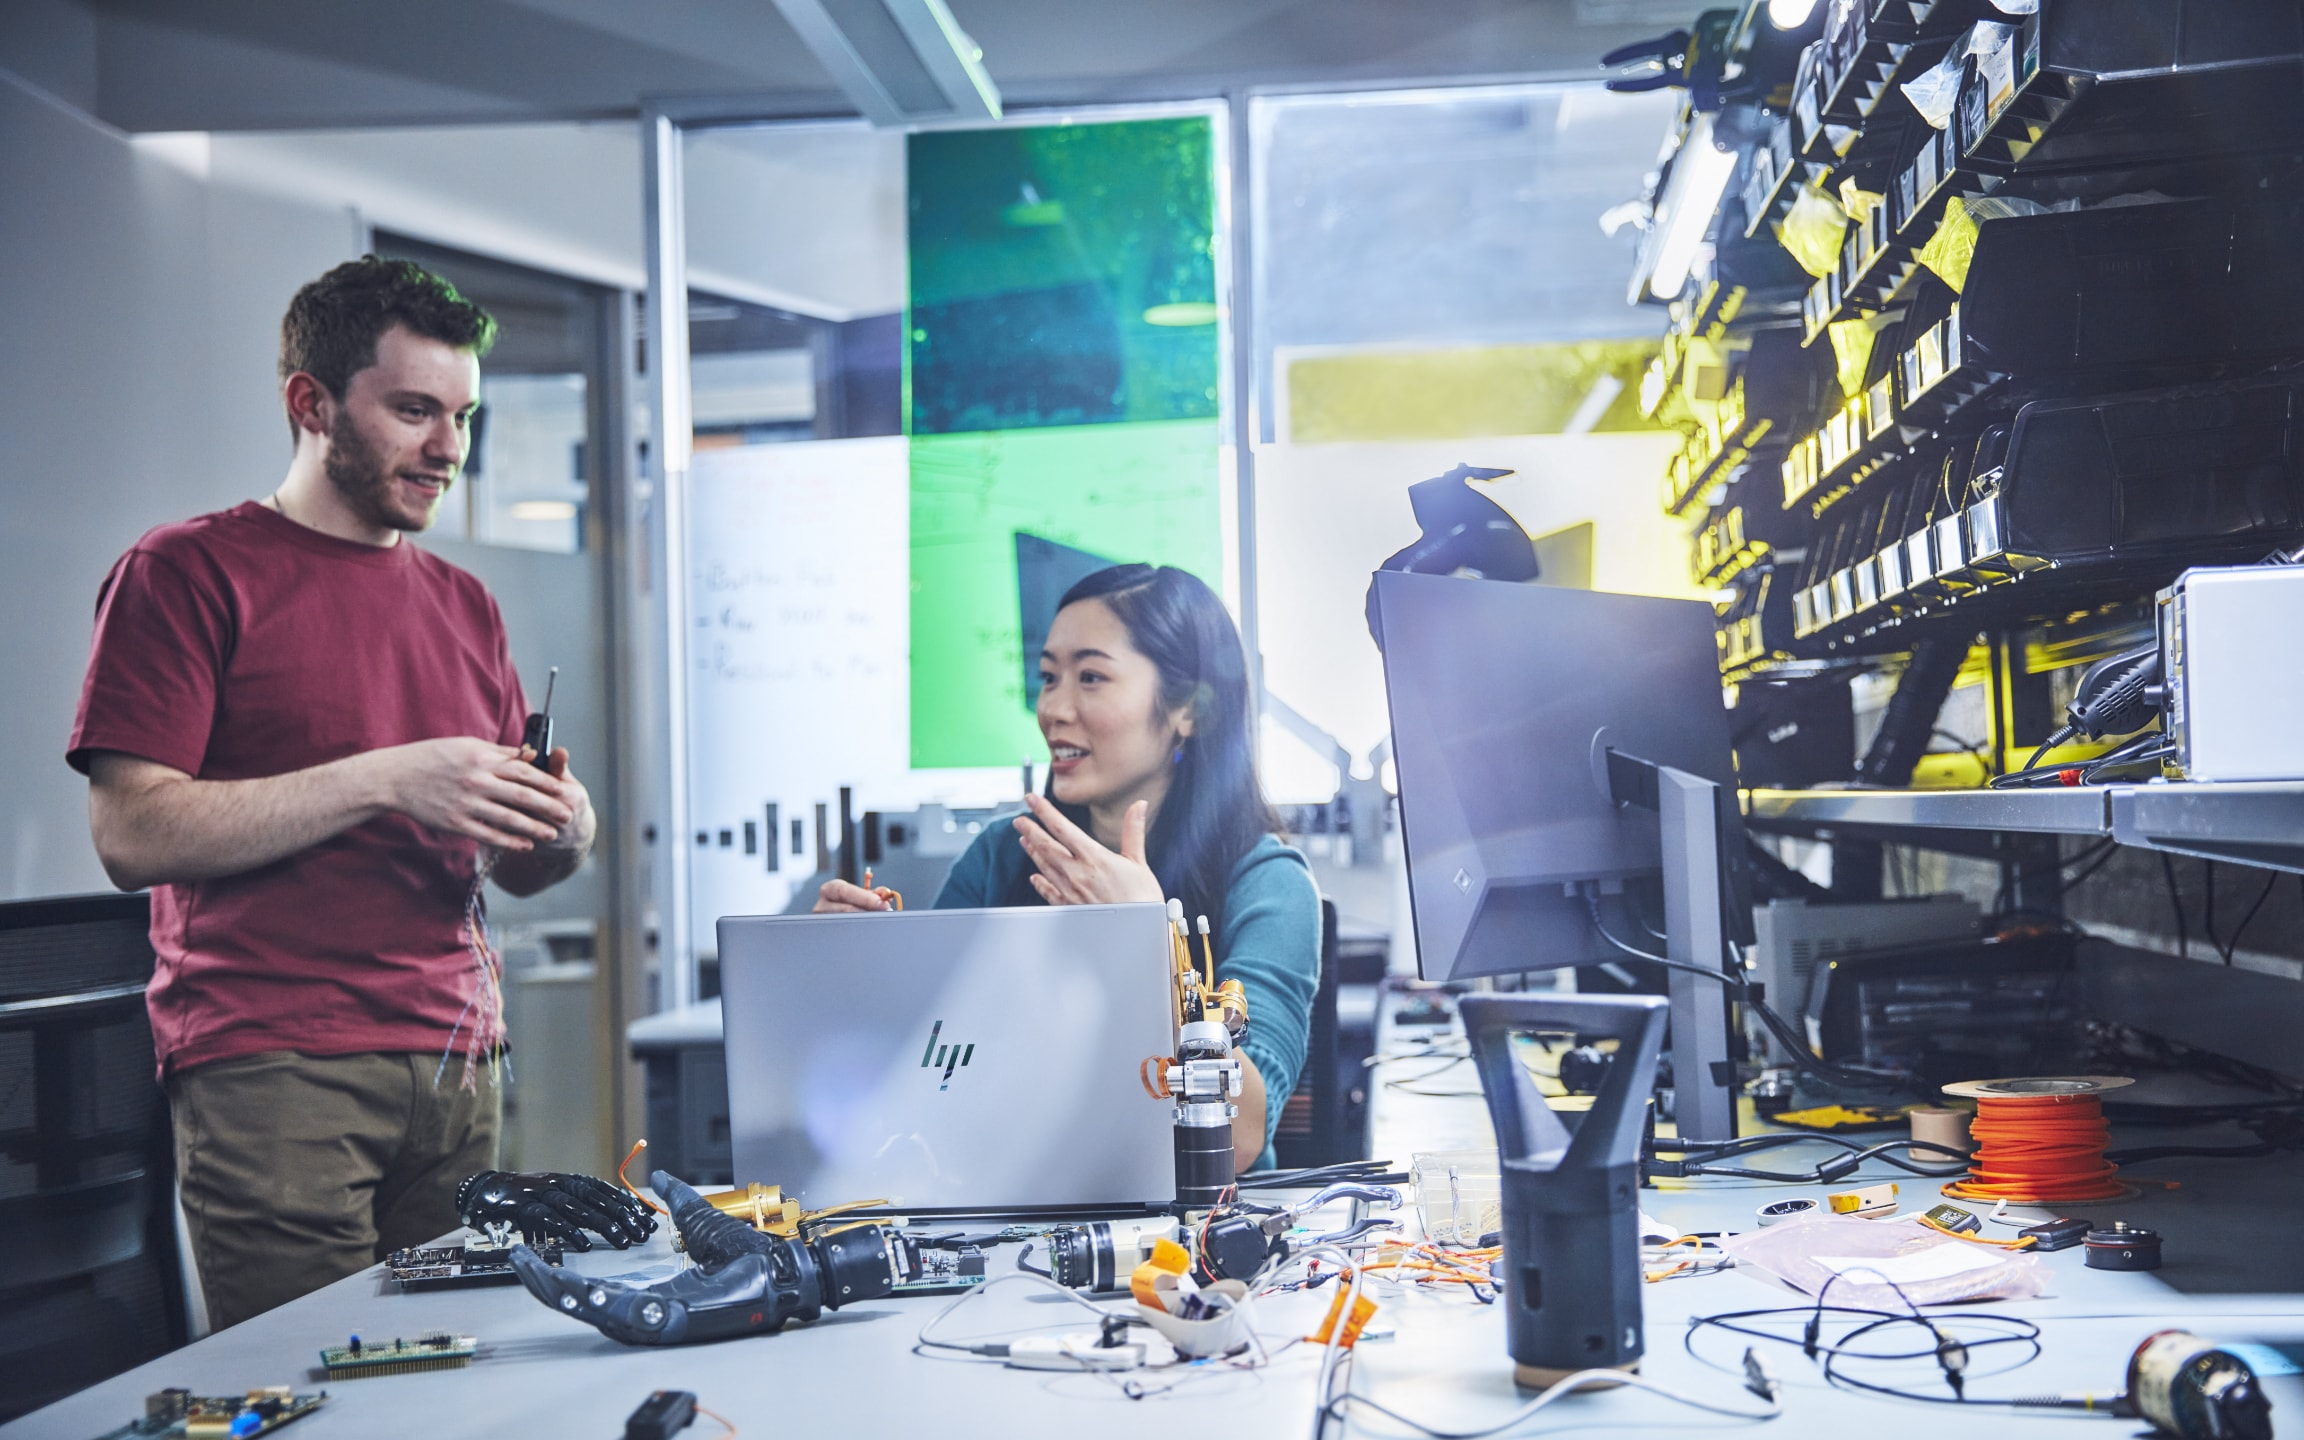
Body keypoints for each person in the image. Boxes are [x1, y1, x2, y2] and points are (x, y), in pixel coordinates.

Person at [66, 256, 598, 1328]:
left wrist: (562, 827)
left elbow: (515, 866)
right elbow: (129, 831)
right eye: (413, 411)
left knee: (449, 1384)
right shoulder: (183, 574)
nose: (449, 448)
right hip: (277, 1066)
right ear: (310, 404)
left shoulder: (465, 603)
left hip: (458, 1065)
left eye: (461, 415)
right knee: (324, 1385)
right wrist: (389, 778)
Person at [818, 564, 1320, 1171]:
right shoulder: (1002, 854)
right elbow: (926, 1082)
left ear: (1188, 706)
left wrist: (1147, 942)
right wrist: (863, 971)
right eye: (1048, 677)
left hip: (1189, 1241)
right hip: (1013, 1220)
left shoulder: (1271, 885)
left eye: (1090, 676)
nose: (1053, 707)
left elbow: (1240, 1139)